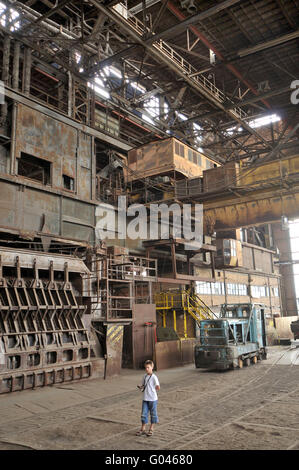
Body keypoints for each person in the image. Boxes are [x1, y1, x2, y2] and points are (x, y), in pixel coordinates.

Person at [136, 359, 160, 437]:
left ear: (152, 367)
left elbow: (158, 386)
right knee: (143, 414)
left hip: (153, 399)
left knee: (153, 414)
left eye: (148, 367)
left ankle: (151, 428)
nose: (147, 369)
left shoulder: (154, 377)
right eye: (146, 367)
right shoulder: (144, 376)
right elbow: (143, 385)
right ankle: (143, 429)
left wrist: (157, 387)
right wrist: (141, 387)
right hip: (145, 398)